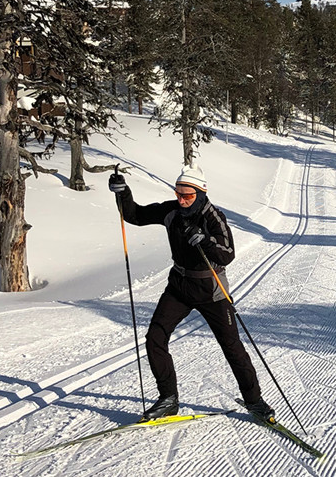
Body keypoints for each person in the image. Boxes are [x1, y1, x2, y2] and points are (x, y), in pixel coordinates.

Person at [108, 165, 276, 423]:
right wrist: (123, 193)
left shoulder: (213, 216)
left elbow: (227, 254)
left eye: (188, 195)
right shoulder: (171, 210)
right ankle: (168, 399)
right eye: (179, 194)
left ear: (200, 192)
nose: (182, 199)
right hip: (179, 286)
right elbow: (136, 215)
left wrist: (205, 241)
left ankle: (255, 400)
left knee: (231, 346)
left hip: (211, 290)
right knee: (155, 337)